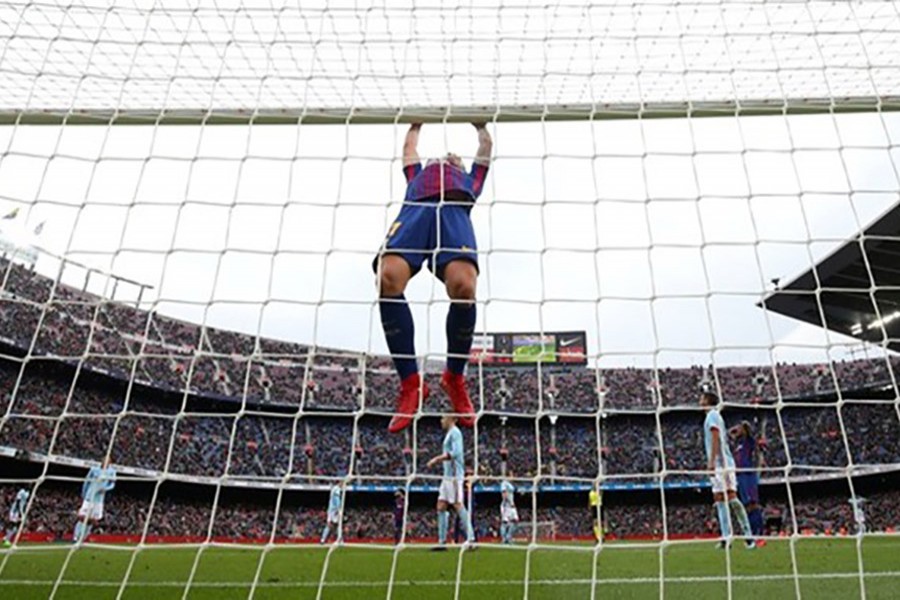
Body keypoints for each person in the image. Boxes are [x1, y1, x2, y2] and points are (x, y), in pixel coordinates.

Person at [374, 122, 493, 433]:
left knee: (464, 286)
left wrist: (480, 125)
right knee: (387, 277)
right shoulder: (416, 178)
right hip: (416, 212)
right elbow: (409, 149)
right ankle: (411, 384)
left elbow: (485, 150)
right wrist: (416, 122)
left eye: (454, 157)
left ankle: (453, 377)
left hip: (453, 215)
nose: (445, 157)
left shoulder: (468, 183)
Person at [700, 392, 755, 549]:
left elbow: (715, 436)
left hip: (722, 463)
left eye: (702, 398)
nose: (700, 401)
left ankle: (748, 536)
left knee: (730, 497)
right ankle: (727, 537)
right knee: (719, 499)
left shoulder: (711, 415)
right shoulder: (716, 416)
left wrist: (713, 462)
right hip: (723, 462)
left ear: (708, 401)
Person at [427, 415, 474, 549]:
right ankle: (442, 542)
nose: (441, 420)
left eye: (443, 418)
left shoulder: (455, 433)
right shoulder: (449, 434)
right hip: (447, 476)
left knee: (458, 505)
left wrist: (436, 459)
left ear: (452, 418)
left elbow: (456, 453)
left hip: (454, 475)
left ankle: (471, 539)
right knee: (441, 506)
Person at [731, 420, 765, 544]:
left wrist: (742, 427)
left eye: (740, 428)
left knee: (753, 504)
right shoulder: (737, 444)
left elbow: (749, 431)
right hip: (740, 476)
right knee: (747, 507)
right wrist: (734, 432)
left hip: (748, 475)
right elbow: (730, 434)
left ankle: (759, 535)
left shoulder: (748, 441)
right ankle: (751, 535)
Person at [74, 457, 116, 544]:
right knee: (82, 517)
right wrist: (83, 494)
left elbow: (112, 484)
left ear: (110, 462)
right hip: (89, 496)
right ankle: (76, 537)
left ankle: (83, 538)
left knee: (93, 520)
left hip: (99, 499)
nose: (106, 462)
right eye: (105, 460)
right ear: (102, 460)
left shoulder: (112, 472)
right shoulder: (94, 469)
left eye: (108, 460)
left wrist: (105, 488)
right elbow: (86, 482)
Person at [500, 472, 519, 544]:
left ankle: (508, 537)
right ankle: (504, 539)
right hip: (507, 505)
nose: (513, 477)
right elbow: (504, 494)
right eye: (512, 475)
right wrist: (508, 502)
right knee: (505, 522)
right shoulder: (504, 483)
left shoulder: (511, 484)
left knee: (515, 521)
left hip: (511, 505)